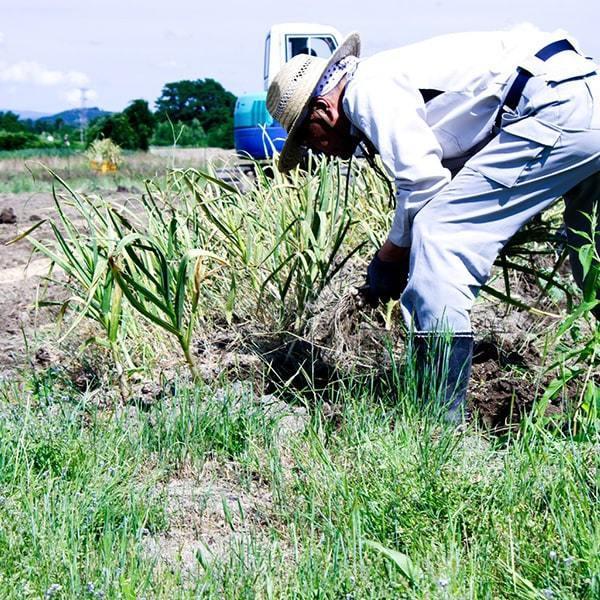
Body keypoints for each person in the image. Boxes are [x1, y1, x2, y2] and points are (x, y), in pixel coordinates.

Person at [266, 25, 600, 422]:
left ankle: (438, 421)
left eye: (309, 138)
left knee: (441, 233)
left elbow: (424, 186)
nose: (320, 150)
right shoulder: (395, 76)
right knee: (589, 243)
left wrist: (390, 256)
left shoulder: (364, 89)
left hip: (555, 107)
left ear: (323, 109)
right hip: (582, 93)